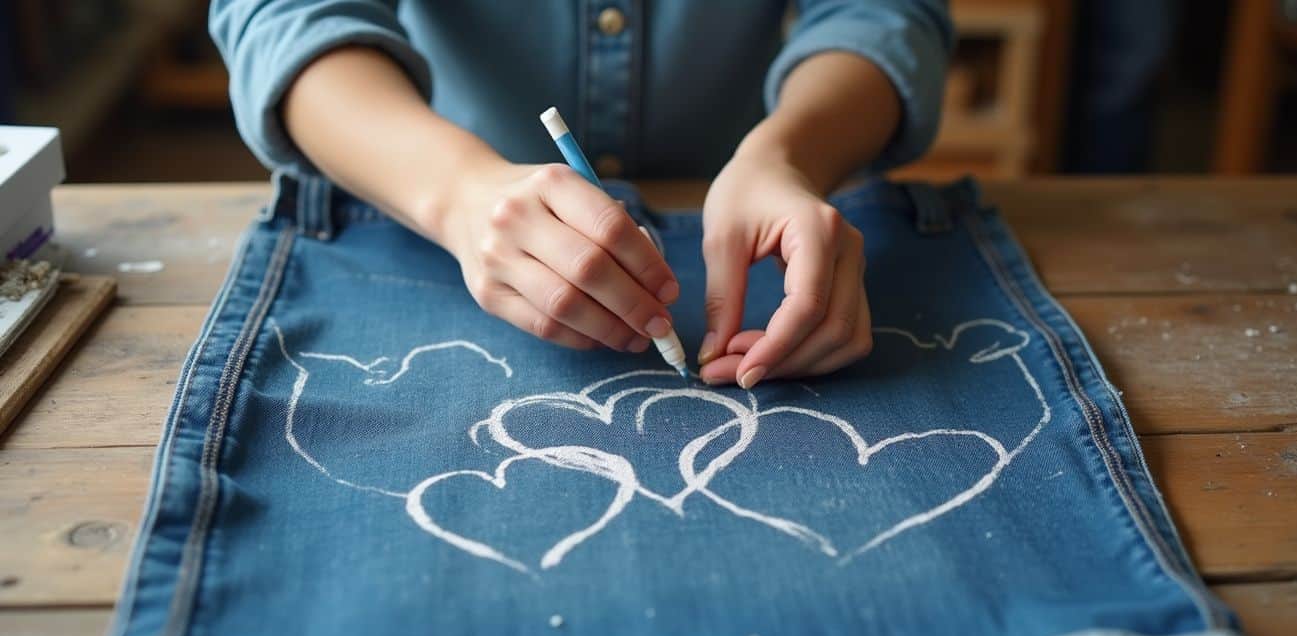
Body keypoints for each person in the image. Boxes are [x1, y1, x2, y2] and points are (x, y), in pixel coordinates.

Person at [210, 1, 952, 388]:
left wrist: (789, 154)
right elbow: (281, 14)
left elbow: (884, 13)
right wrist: (460, 195)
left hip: (754, 198)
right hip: (425, 210)